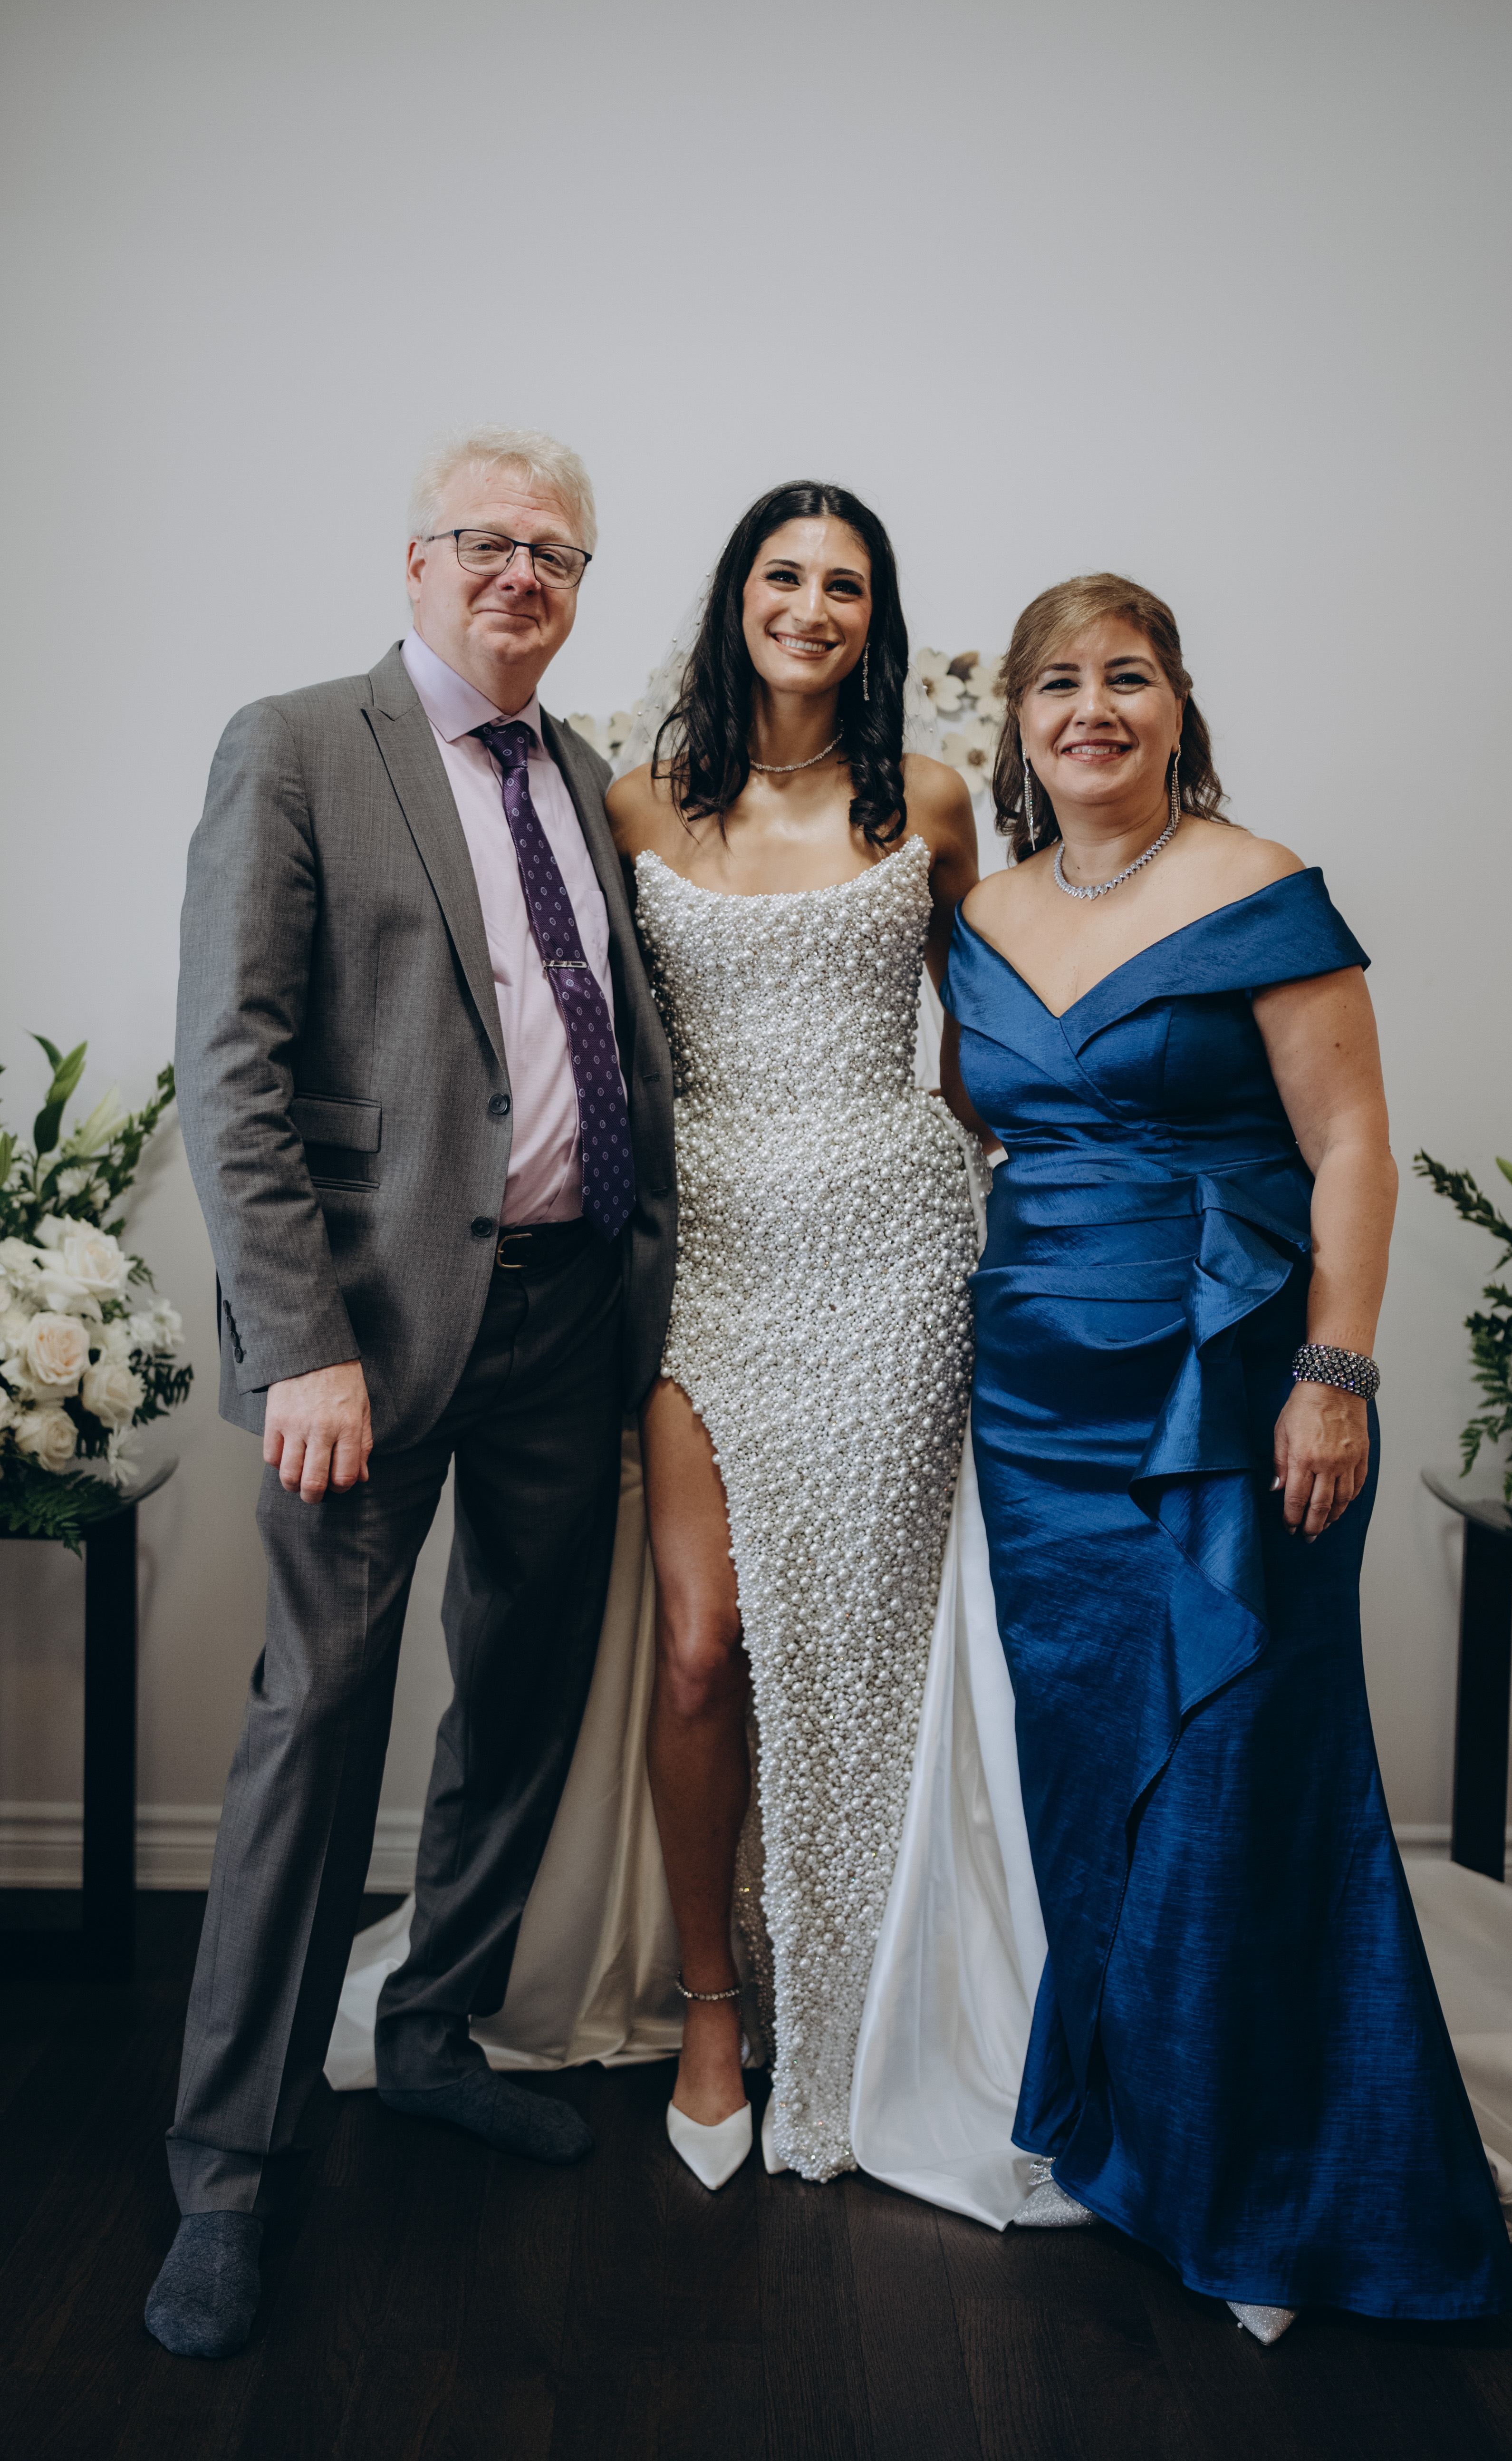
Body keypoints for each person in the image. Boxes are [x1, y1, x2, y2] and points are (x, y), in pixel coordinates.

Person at [148, 426, 676, 2359]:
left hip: (570, 1315)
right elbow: (233, 1064)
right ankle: (228, 2165)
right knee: (319, 1720)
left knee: (521, 1695)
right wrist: (298, 1339)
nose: (522, 573)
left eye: (558, 553)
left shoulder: (591, 779)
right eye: (487, 541)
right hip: (363, 1340)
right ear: (416, 560)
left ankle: (435, 2029)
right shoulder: (298, 746)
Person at [943, 573, 1512, 2335]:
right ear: (1019, 720)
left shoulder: (1260, 888)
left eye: (1129, 677)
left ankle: (1275, 2180)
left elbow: (1353, 1146)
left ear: (1179, 704)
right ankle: (1129, 2135)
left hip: (1235, 1391)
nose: (1092, 709)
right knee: (1088, 1774)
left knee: (1244, 1771)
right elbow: (994, 1124)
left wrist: (1333, 1371)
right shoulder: (984, 915)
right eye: (1059, 682)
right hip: (1037, 1411)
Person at [605, 480, 985, 2189]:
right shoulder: (635, 801)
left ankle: (870, 2012)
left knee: (864, 1650)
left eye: (846, 584)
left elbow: (985, 1054)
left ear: (873, 617)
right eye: (785, 575)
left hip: (899, 1257)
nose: (812, 607)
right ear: (737, 596)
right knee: (704, 1642)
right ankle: (714, 2003)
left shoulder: (929, 799)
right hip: (710, 1252)